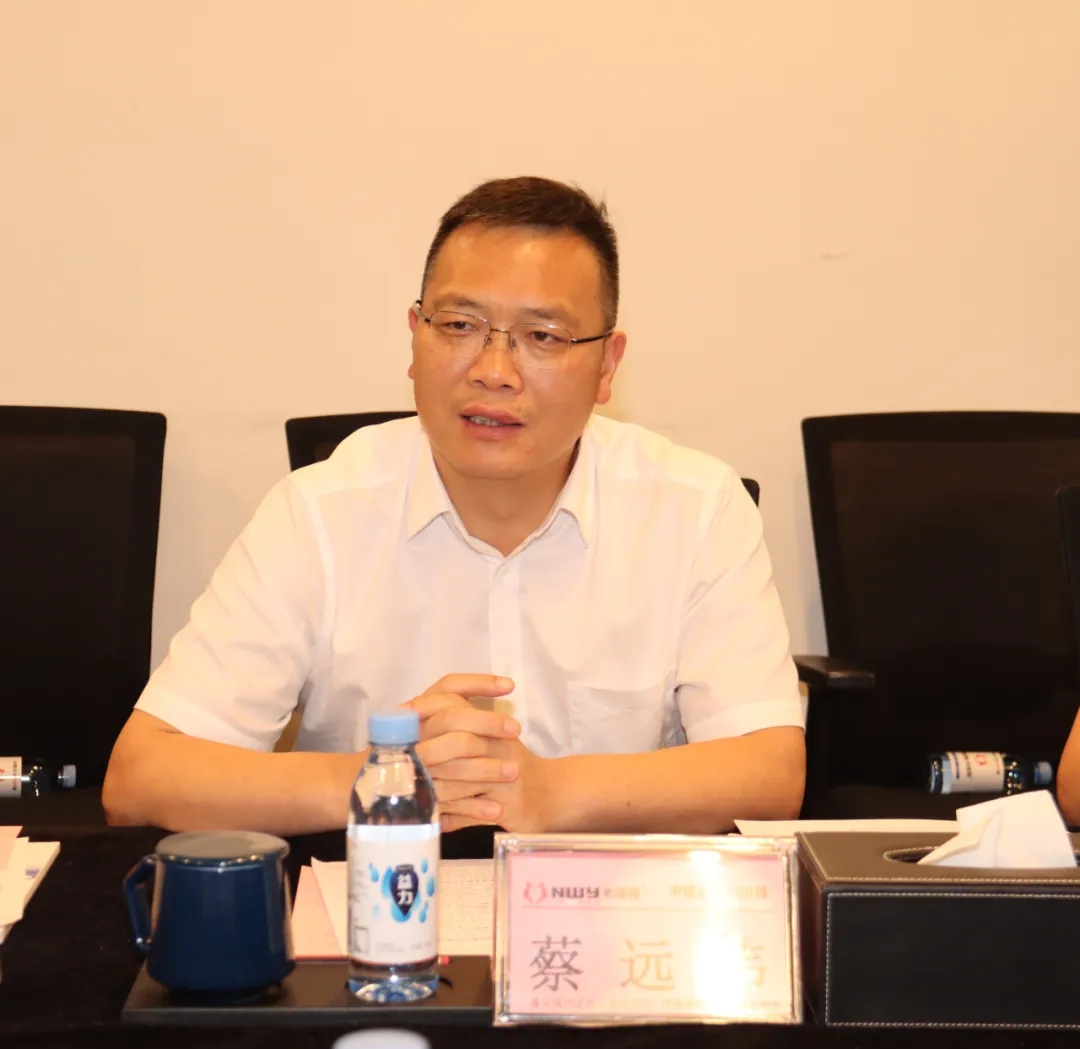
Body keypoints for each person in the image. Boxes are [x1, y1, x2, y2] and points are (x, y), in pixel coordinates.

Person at [103, 176, 805, 835]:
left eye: (544, 337)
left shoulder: (696, 510)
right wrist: (382, 779)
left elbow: (769, 772)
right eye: (461, 324)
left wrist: (548, 791)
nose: (493, 371)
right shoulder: (317, 513)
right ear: (415, 336)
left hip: (615, 905)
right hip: (374, 901)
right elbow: (143, 774)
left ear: (607, 366)